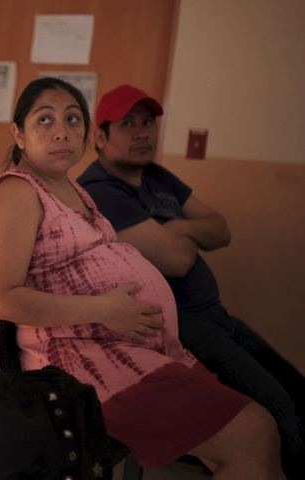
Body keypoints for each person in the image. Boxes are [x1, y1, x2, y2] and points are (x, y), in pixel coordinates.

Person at [0, 77, 286, 478]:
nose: (61, 131)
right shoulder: (18, 193)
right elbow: (0, 299)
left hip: (125, 349)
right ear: (18, 133)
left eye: (73, 119)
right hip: (80, 364)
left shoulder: (71, 188)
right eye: (44, 120)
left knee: (256, 434)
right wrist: (104, 310)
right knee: (255, 432)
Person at [77, 85, 305, 477]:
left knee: (298, 391)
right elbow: (179, 261)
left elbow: (221, 230)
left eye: (147, 122)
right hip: (183, 325)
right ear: (100, 136)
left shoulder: (158, 177)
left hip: (218, 317)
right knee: (277, 408)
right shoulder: (101, 190)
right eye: (127, 124)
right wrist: (186, 237)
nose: (142, 132)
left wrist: (177, 226)